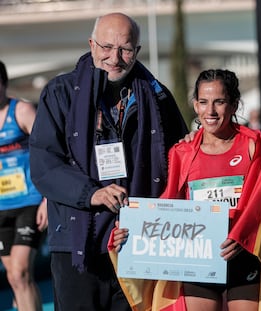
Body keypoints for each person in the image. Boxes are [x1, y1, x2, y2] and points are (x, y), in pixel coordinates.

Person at [29, 12, 188, 311]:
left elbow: (179, 155)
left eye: (125, 49)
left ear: (137, 52)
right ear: (91, 45)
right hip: (80, 244)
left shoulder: (158, 96)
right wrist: (91, 193)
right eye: (107, 47)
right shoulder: (60, 93)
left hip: (138, 241)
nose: (115, 58)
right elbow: (44, 165)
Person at [110, 69, 261, 310]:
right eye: (203, 102)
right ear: (195, 105)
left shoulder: (253, 145)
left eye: (219, 102)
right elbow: (167, 205)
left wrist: (241, 234)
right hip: (199, 258)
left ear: (234, 105)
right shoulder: (182, 153)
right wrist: (131, 228)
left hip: (243, 252)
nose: (211, 111)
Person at [0, 60, 48, 311]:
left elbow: (50, 150)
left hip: (29, 203)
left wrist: (47, 200)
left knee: (20, 273)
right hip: (1, 207)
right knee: (15, 277)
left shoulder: (21, 111)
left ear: (4, 84)